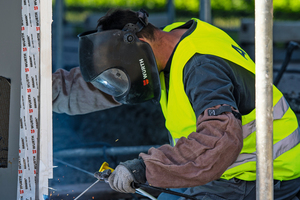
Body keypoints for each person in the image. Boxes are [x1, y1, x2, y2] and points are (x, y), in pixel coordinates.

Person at [63, 8, 300, 199]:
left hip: (258, 177)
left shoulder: (201, 68)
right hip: (221, 170)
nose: (124, 80)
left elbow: (221, 139)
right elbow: (96, 85)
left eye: (121, 73)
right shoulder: (170, 41)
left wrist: (146, 168)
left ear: (139, 42)